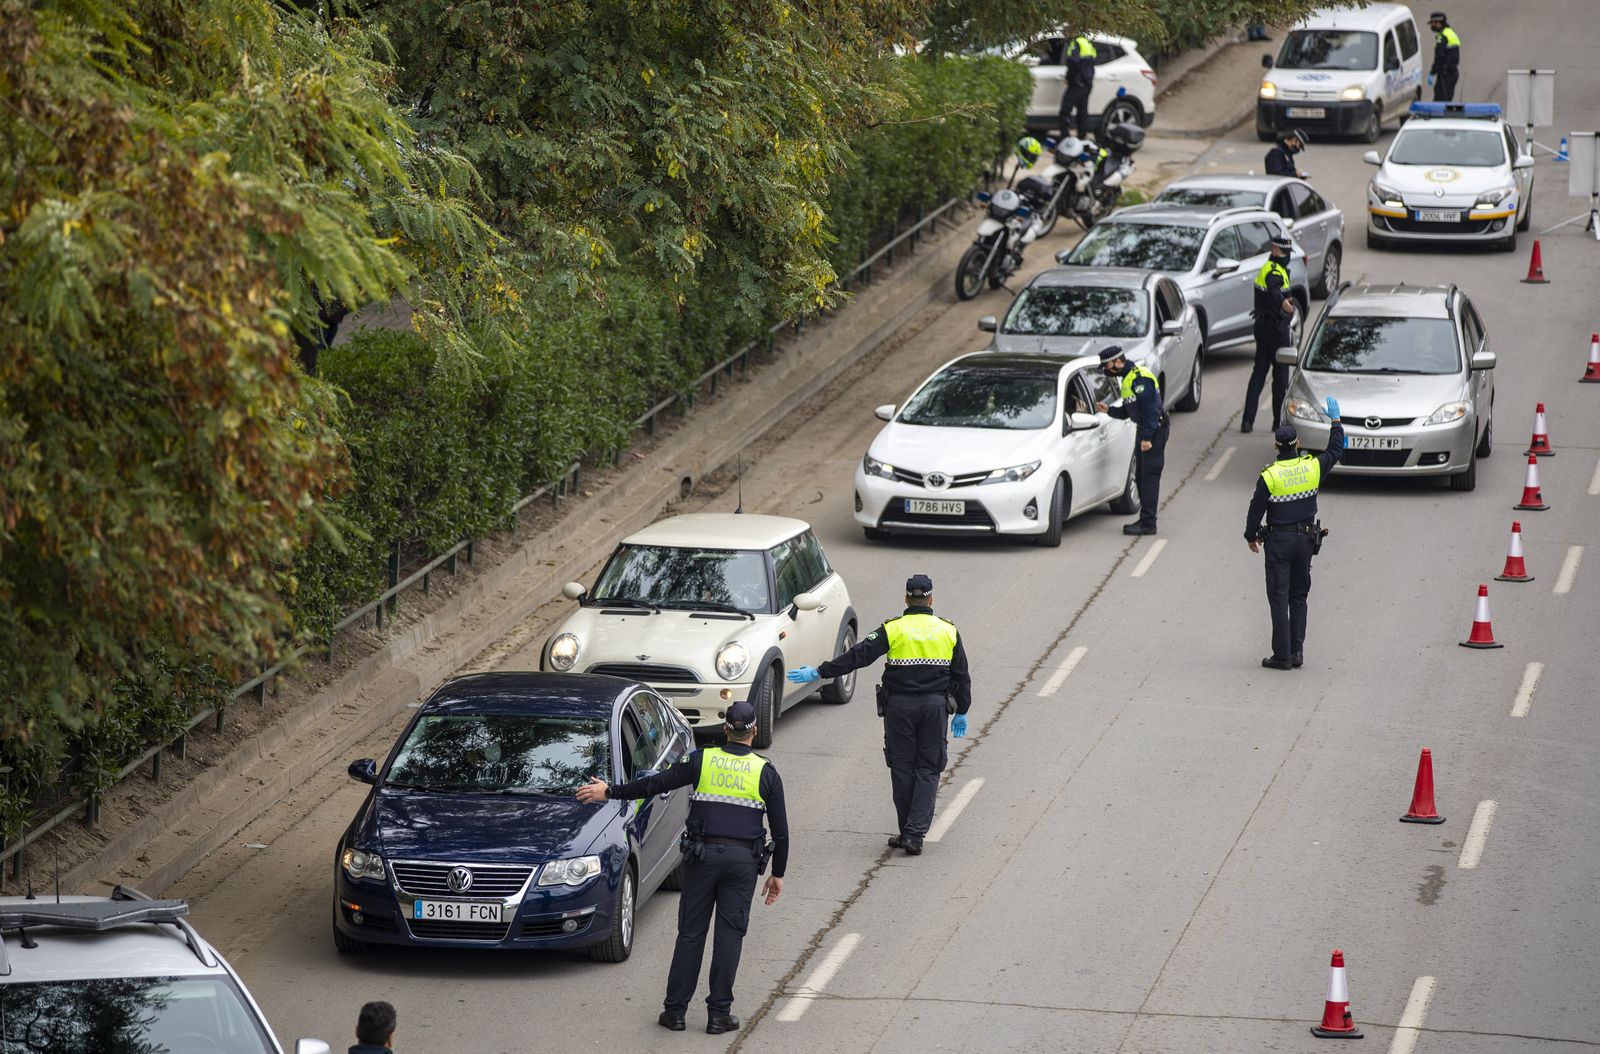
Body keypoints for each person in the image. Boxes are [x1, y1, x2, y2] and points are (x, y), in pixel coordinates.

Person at [575, 701, 786, 1036]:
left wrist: (610, 791)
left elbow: (655, 784)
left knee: (690, 935)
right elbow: (782, 830)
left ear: (725, 729)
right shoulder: (766, 772)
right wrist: (778, 874)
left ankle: (675, 1013)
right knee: (729, 938)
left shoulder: (702, 761)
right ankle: (719, 1016)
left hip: (701, 860)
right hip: (742, 863)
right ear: (754, 732)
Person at [787, 574, 970, 855]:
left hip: (900, 709)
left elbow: (858, 655)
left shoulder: (893, 629)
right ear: (931, 599)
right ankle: (913, 832)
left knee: (901, 766)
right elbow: (961, 675)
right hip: (934, 709)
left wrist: (819, 672)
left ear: (906, 598)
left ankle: (909, 831)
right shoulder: (948, 630)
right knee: (928, 768)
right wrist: (962, 711)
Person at [1244, 411, 1345, 670]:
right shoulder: (1312, 466)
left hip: (1279, 542)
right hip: (1306, 541)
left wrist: (1251, 536)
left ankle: (1282, 656)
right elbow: (1335, 450)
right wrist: (1335, 422)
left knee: (1279, 597)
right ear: (1298, 443)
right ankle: (1297, 651)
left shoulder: (1270, 475)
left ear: (1276, 446)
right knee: (1299, 597)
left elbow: (1256, 509)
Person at [1094, 346, 1167, 535]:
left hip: (1153, 431)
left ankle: (1149, 523)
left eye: (1107, 366)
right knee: (1141, 475)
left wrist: (1147, 438)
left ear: (1117, 362)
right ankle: (1145, 520)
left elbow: (1153, 410)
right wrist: (1108, 410)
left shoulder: (1139, 378)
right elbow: (1130, 410)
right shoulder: (1127, 379)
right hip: (1145, 429)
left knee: (1149, 477)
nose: (1106, 371)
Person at [1241, 234, 1297, 435]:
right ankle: (1277, 422)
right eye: (1284, 252)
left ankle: (1247, 421)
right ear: (1275, 250)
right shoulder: (1274, 270)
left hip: (1263, 329)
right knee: (1280, 378)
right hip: (1276, 331)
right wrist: (1283, 302)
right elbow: (1274, 290)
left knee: (1258, 375)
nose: (1286, 256)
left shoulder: (1269, 268)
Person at [1058, 32, 1098, 139]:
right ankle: (1082, 137)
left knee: (1065, 111)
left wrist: (1069, 77)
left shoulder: (1075, 43)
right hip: (1087, 84)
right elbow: (1092, 62)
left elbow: (1073, 62)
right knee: (1082, 113)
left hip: (1077, 83)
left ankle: (1064, 137)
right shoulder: (1087, 43)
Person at [1427, 12, 1461, 102]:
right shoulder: (1450, 33)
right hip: (1453, 72)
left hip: (1445, 74)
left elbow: (1439, 57)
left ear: (1438, 23)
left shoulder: (1442, 37)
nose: (1431, 26)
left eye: (1432, 23)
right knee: (1447, 101)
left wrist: (1432, 72)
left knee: (1439, 101)